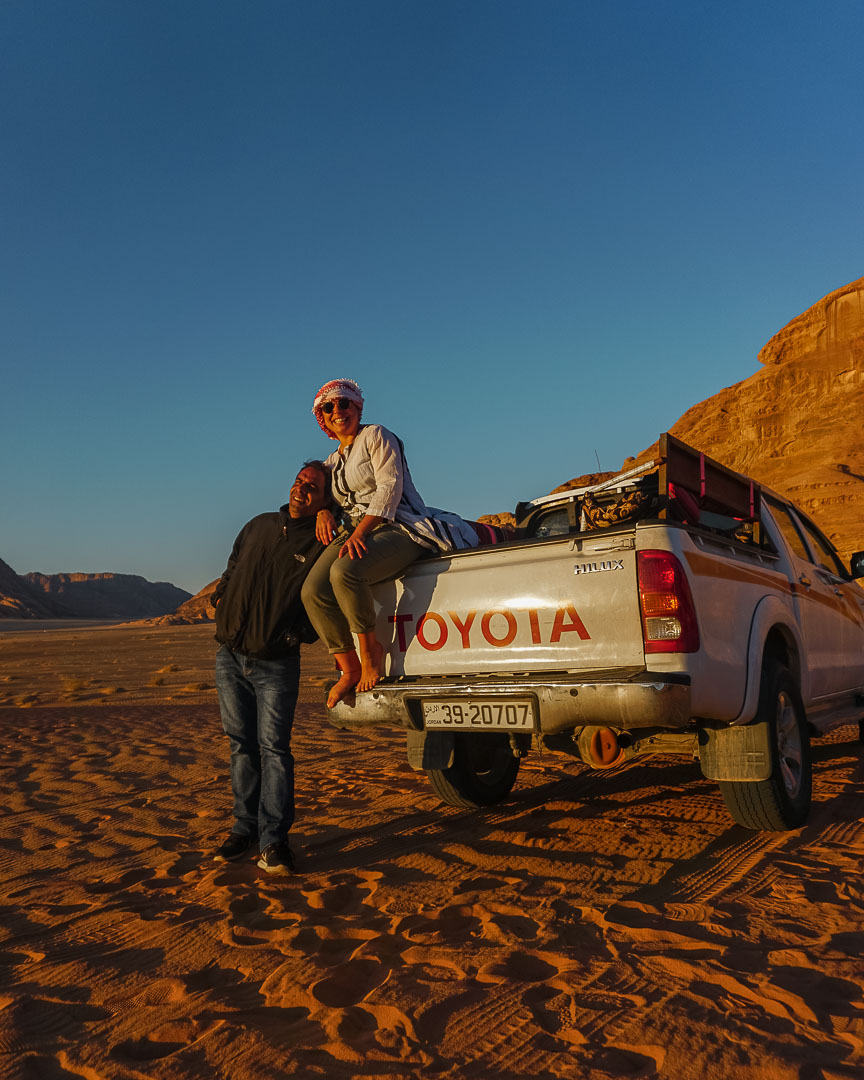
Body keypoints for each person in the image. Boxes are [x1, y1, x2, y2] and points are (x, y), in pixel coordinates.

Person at [301, 379, 478, 709]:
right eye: (329, 407)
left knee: (345, 572)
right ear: (322, 417)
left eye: (344, 403)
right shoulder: (331, 461)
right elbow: (326, 498)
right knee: (312, 590)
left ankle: (371, 654)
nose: (337, 410)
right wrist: (323, 511)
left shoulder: (377, 436)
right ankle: (349, 667)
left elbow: (389, 488)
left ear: (358, 407)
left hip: (398, 524)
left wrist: (360, 532)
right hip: (354, 530)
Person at [211, 461, 329, 875]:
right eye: (300, 481)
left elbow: (326, 597)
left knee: (274, 751)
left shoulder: (322, 541)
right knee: (240, 746)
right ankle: (243, 828)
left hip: (276, 664)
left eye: (313, 487)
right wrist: (220, 600)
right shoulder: (258, 525)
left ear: (325, 500)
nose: (302, 489)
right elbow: (231, 567)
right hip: (229, 657)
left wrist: (296, 635)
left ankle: (274, 841)